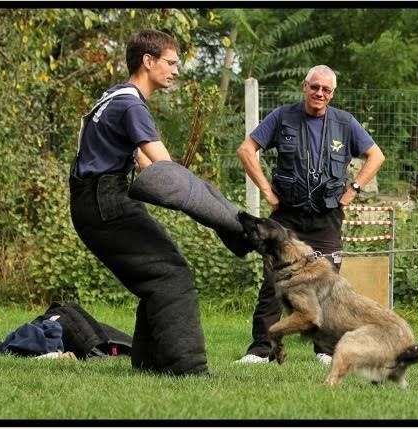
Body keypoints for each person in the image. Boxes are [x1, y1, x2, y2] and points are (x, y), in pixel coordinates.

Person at [69, 29, 248, 377]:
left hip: (93, 201)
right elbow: (166, 174)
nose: (176, 70)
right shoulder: (131, 103)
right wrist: (230, 221)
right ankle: (188, 369)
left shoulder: (111, 97)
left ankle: (150, 362)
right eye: (171, 62)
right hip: (105, 201)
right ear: (147, 61)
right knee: (171, 274)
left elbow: (145, 166)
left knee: (158, 275)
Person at [235, 65, 385, 365]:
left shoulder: (345, 122)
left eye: (325, 89)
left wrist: (352, 189)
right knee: (273, 282)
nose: (319, 93)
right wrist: (266, 189)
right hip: (286, 216)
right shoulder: (282, 116)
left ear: (332, 93)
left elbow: (376, 155)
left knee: (329, 287)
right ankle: (260, 350)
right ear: (305, 86)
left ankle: (326, 350)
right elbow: (246, 149)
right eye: (314, 87)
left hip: (326, 216)